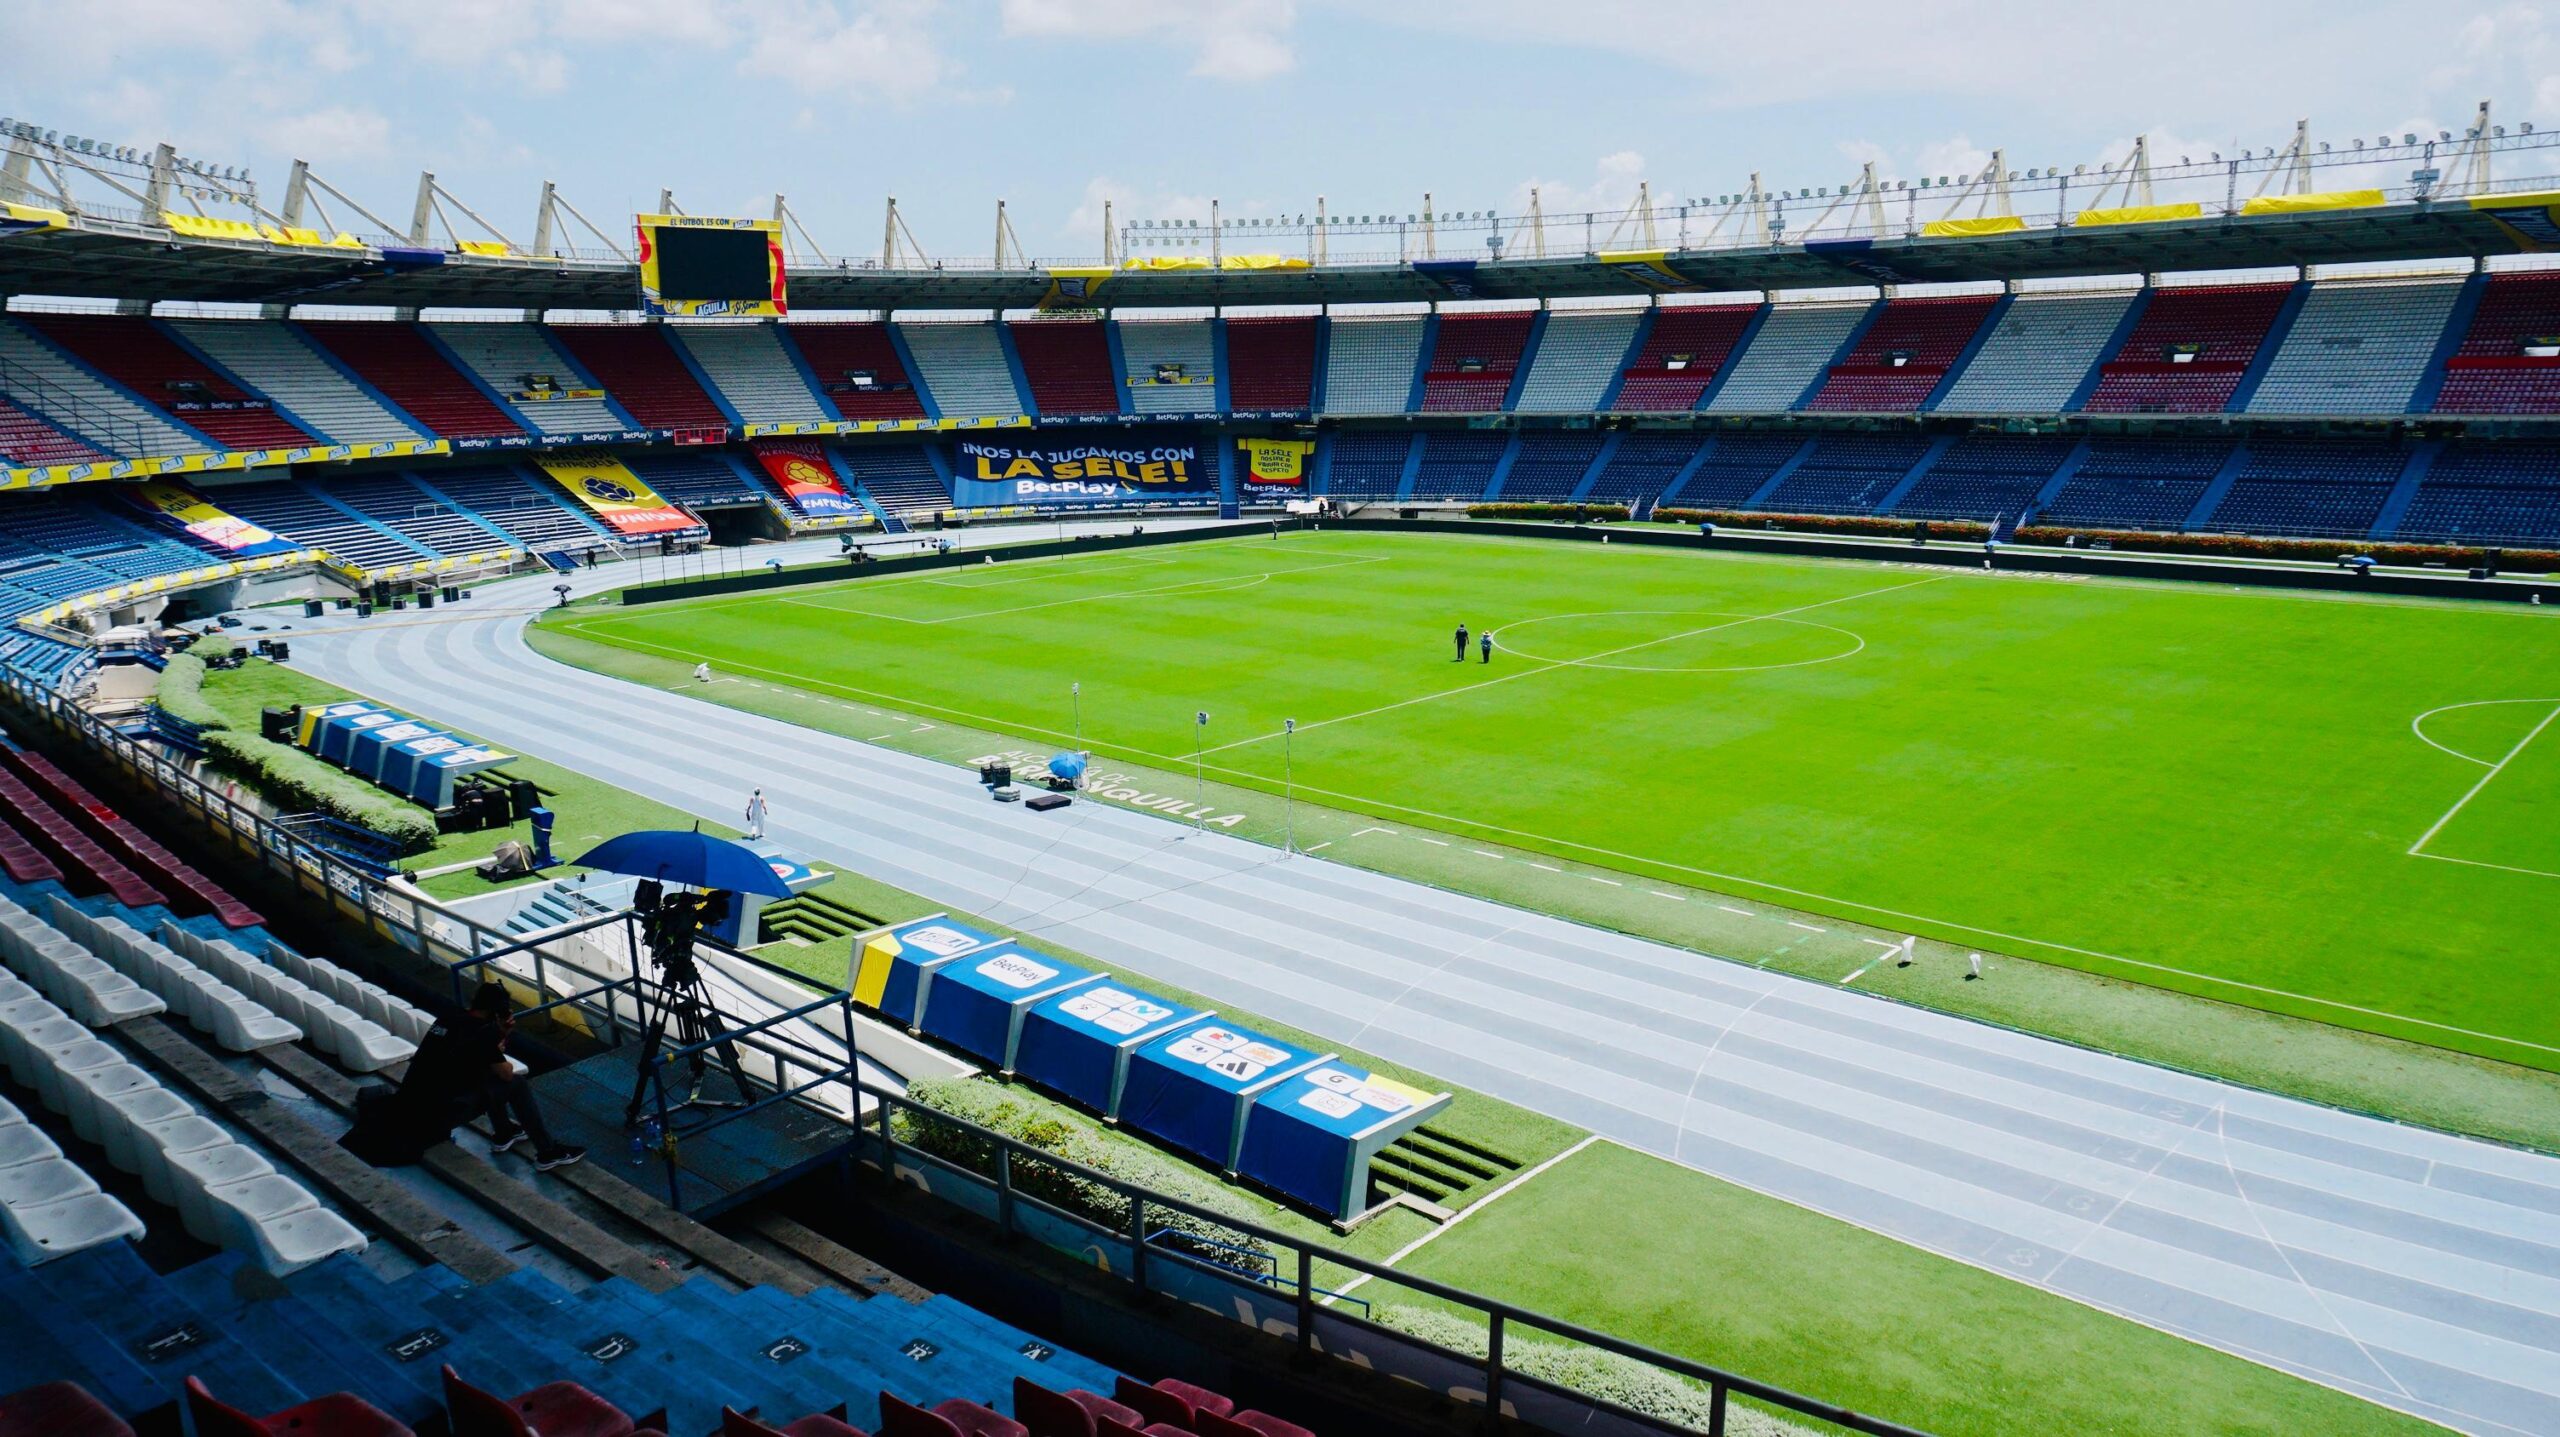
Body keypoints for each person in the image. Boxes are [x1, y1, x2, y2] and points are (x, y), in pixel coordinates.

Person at [397, 982, 584, 1170]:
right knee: (515, 1084)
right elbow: (506, 1073)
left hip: (412, 1102)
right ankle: (547, 1152)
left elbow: (468, 1055)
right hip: (439, 1114)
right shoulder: (481, 1034)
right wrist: (503, 1033)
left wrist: (494, 1040)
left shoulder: (448, 1019)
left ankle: (504, 1133)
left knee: (486, 1075)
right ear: (496, 1013)